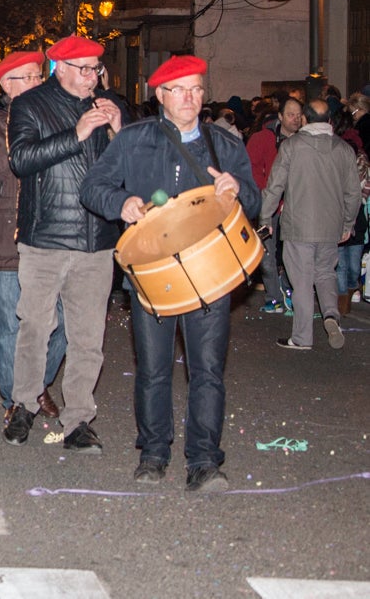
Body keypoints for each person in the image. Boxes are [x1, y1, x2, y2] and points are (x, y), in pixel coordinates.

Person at [81, 54, 260, 492]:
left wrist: (238, 192)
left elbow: (254, 202)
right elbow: (93, 187)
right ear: (160, 95)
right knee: (154, 369)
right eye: (180, 90)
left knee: (207, 371)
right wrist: (120, 203)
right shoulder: (133, 140)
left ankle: (203, 461)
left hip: (209, 273)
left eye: (197, 89)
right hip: (153, 273)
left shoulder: (225, 144)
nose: (190, 98)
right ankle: (154, 452)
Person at [3, 35, 123, 454]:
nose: (93, 77)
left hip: (98, 240)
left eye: (97, 70)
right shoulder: (30, 104)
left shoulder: (109, 104)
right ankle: (23, 404)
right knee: (35, 326)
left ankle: (78, 421)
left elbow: (129, 170)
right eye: (85, 69)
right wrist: (78, 132)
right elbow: (21, 159)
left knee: (88, 337)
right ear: (62, 68)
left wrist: (119, 131)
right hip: (46, 237)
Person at [0, 50, 65, 424]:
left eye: (40, 76)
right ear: (8, 84)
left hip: (52, 236)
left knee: (63, 324)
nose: (39, 83)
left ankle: (34, 385)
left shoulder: (56, 119)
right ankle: (15, 402)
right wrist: (28, 137)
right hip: (5, 239)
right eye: (29, 77)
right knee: (12, 324)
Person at [260, 99, 361, 351]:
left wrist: (264, 219)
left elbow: (275, 187)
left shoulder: (291, 147)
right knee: (326, 273)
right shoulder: (343, 149)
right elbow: (353, 193)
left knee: (302, 281)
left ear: (304, 119)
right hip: (331, 227)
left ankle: (302, 337)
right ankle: (330, 314)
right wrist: (348, 223)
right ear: (329, 121)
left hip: (298, 226)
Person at [247, 96, 303, 313]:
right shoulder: (263, 138)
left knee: (292, 251)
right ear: (280, 116)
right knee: (267, 251)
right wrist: (266, 195)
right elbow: (251, 169)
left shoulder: (304, 140)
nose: (295, 119)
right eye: (290, 114)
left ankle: (290, 291)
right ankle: (273, 297)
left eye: (299, 115)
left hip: (295, 204)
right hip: (269, 203)